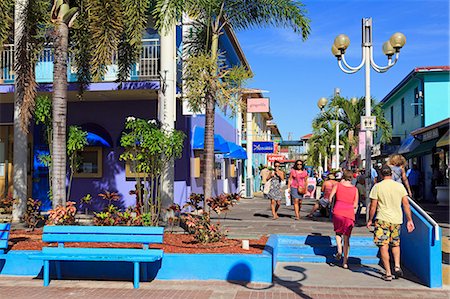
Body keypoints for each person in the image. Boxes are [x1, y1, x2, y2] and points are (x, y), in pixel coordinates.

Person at [367, 164, 415, 281]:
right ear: (391, 174)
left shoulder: (377, 187)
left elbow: (373, 206)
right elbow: (406, 204)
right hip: (396, 220)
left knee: (383, 245)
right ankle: (397, 266)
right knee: (395, 243)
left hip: (382, 219)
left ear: (381, 174)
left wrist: (370, 220)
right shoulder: (399, 187)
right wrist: (409, 220)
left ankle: (388, 272)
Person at [329, 170, 359, 269]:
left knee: (338, 232)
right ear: (352, 178)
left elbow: (330, 198)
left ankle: (339, 250)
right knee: (347, 238)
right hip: (349, 213)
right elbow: (355, 205)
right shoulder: (355, 189)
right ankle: (345, 262)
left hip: (338, 211)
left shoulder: (337, 185)